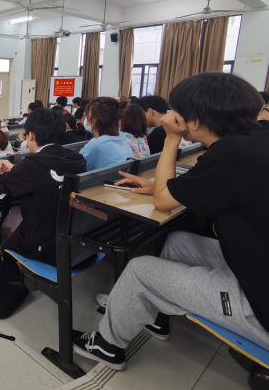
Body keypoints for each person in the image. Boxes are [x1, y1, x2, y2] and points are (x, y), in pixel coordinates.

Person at [73, 72, 269, 371]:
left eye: (176, 111)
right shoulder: (254, 141)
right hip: (255, 264)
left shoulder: (228, 155)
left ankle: (106, 345)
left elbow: (164, 202)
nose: (170, 117)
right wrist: (162, 187)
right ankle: (157, 315)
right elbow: (204, 186)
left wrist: (172, 139)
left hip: (258, 302)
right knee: (178, 242)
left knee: (139, 269)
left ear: (194, 121)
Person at [0, 108, 87, 265]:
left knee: (13, 216)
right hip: (77, 242)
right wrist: (16, 169)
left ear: (31, 135)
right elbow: (45, 174)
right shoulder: (76, 158)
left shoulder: (32, 166)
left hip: (46, 247)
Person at [79, 98, 133, 171]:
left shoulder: (96, 144)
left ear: (94, 121)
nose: (85, 119)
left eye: (86, 116)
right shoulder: (122, 138)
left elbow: (75, 165)